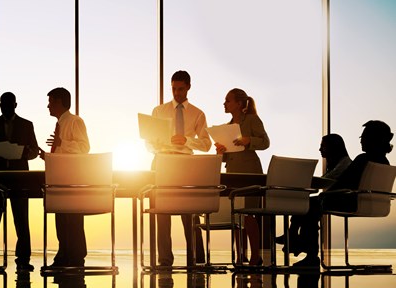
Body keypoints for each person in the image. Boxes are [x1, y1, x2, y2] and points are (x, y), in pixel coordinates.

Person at [291, 120, 393, 267]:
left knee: (309, 204)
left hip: (353, 202)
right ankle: (299, 241)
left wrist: (324, 195)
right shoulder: (384, 162)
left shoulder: (363, 159)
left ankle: (309, 253)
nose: (360, 140)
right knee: (314, 204)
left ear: (372, 139)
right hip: (375, 204)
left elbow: (344, 182)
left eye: (363, 137)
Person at [147, 70, 212, 266]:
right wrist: (163, 143)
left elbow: (206, 144)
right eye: (174, 89)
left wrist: (187, 141)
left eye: (180, 89)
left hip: (186, 165)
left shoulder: (198, 114)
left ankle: (197, 259)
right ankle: (165, 260)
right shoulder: (159, 111)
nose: (176, 93)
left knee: (189, 212)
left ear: (188, 87)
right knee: (162, 212)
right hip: (162, 162)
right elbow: (149, 143)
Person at [0, 92, 39, 271]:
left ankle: (23, 259)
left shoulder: (27, 125)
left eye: (8, 104)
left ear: (15, 105)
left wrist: (24, 152)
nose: (5, 107)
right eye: (2, 105)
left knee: (21, 218)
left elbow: (35, 150)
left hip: (20, 177)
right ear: (0, 106)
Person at [214, 88, 270, 266]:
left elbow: (265, 142)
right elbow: (227, 157)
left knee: (248, 215)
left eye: (228, 100)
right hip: (232, 173)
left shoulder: (252, 120)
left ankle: (255, 255)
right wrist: (220, 152)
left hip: (250, 172)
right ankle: (240, 256)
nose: (224, 103)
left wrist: (248, 140)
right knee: (236, 215)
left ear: (239, 103)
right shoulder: (227, 127)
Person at [39, 87, 90, 267]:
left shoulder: (75, 121)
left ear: (60, 102)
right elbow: (66, 152)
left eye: (51, 101)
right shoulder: (61, 123)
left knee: (72, 219)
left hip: (72, 179)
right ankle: (65, 254)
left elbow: (84, 148)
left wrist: (62, 143)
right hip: (60, 177)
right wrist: (49, 156)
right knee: (61, 218)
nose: (48, 106)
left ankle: (74, 255)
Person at [276, 133, 351, 250]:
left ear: (333, 147)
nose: (320, 149)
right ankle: (294, 237)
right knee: (306, 203)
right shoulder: (338, 163)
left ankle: (294, 238)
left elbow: (326, 181)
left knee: (308, 204)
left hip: (339, 200)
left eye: (323, 146)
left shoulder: (343, 164)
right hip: (334, 198)